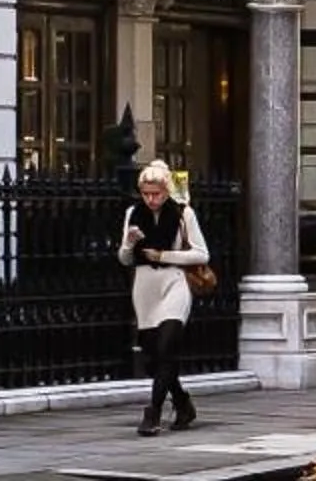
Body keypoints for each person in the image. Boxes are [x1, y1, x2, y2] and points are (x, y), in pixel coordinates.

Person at [119, 161, 209, 436]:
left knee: (168, 345)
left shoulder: (183, 213)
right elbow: (124, 259)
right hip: (145, 286)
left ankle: (153, 412)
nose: (150, 199)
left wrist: (163, 255)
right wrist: (130, 243)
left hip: (174, 281)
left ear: (166, 191)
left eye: (155, 193)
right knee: (152, 357)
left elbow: (201, 254)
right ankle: (182, 402)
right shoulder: (133, 213)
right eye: (146, 193)